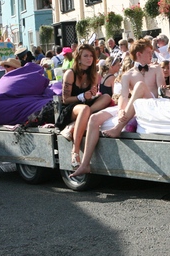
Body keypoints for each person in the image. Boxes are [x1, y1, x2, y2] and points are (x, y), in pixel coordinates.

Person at [70, 39, 163, 177]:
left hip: (151, 103)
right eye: (149, 52)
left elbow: (162, 90)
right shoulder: (127, 74)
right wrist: (120, 110)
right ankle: (85, 164)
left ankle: (118, 128)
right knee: (94, 118)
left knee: (139, 86)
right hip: (134, 104)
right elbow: (123, 96)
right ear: (139, 54)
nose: (152, 55)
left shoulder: (156, 68)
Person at [58, 44, 112, 170]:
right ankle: (75, 151)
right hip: (70, 107)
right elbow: (65, 99)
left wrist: (92, 94)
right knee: (84, 109)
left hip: (86, 106)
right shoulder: (70, 73)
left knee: (106, 97)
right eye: (86, 56)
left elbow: (91, 96)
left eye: (91, 56)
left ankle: (75, 124)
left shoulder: (94, 74)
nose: (89, 58)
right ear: (79, 58)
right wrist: (82, 96)